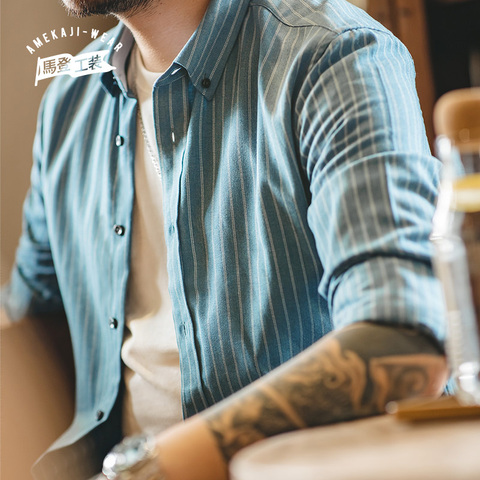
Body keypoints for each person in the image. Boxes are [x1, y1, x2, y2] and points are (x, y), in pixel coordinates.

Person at [3, 0, 449, 478]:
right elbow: (34, 330)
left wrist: (150, 470)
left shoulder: (333, 55)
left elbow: (403, 342)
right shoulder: (71, 99)